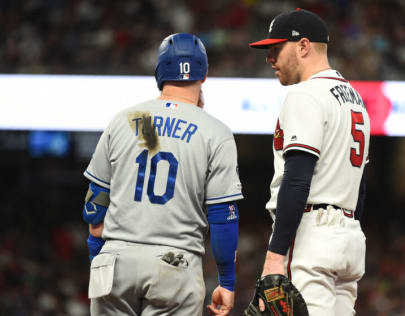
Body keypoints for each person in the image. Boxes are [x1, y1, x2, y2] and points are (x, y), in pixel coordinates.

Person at [82, 33, 243, 316]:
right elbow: (222, 217)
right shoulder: (216, 132)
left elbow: (95, 208)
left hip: (116, 259)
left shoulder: (125, 120)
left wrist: (98, 259)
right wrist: (226, 281)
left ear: (159, 73)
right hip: (174, 264)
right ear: (204, 76)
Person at [248, 8, 370, 315]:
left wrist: (275, 256)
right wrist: (346, 228)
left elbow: (298, 178)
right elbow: (362, 185)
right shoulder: (355, 98)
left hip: (311, 236)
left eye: (276, 49)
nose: (270, 58)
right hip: (349, 237)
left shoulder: (306, 95)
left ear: (303, 46)